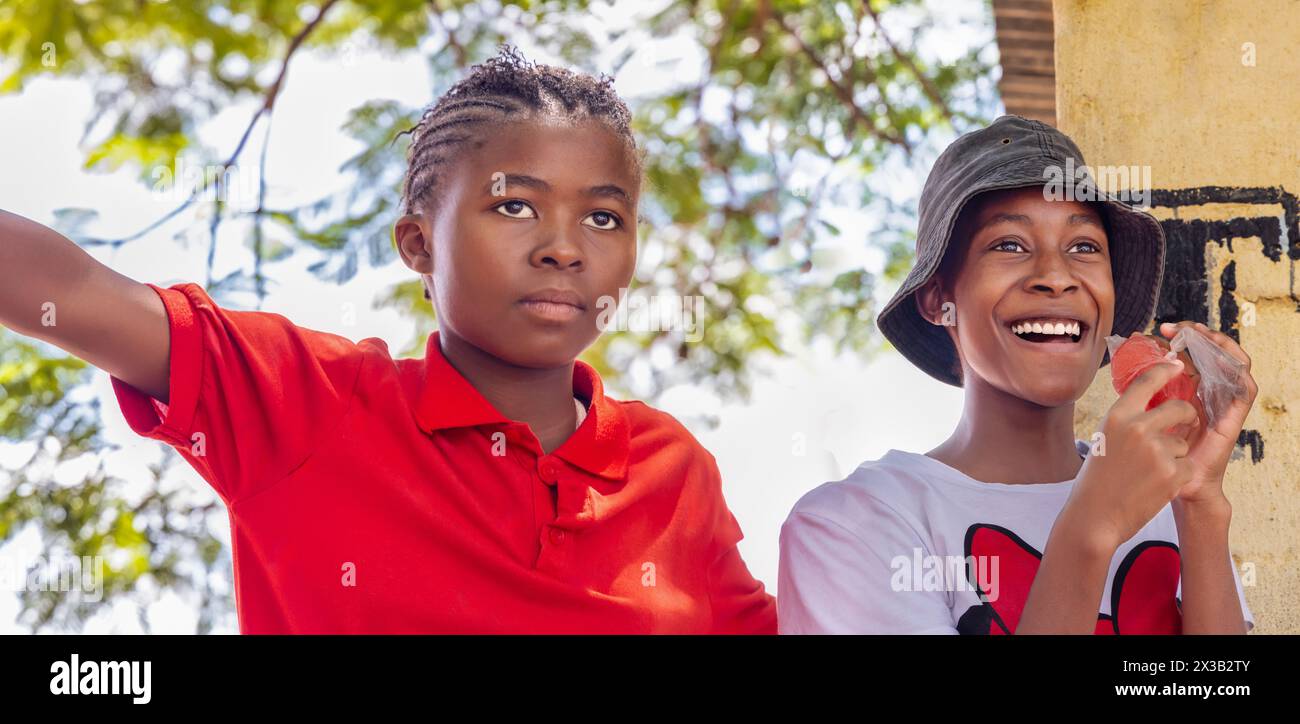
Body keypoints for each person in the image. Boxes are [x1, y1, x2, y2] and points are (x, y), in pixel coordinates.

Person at [0, 47, 775, 634]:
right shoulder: (310, 402)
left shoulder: (675, 472)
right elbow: (69, 292)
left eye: (603, 218)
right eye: (514, 208)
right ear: (416, 244)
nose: (564, 248)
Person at [778, 115, 1255, 634]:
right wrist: (1089, 530)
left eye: (1083, 248)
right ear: (941, 300)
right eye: (1008, 244)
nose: (1056, 277)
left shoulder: (1163, 500)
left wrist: (1199, 504)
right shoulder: (856, 525)